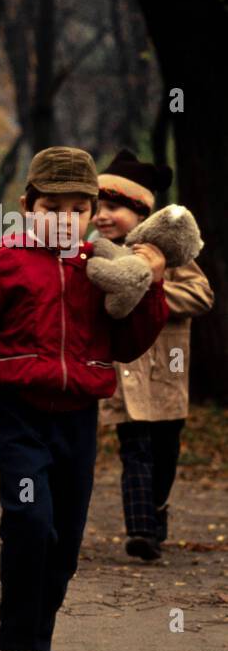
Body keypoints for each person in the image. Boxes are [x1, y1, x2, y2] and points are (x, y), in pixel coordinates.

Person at [0, 146, 168, 651]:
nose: (64, 218)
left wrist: (149, 285)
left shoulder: (104, 267)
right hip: (21, 416)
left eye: (76, 207)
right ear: (26, 205)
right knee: (29, 520)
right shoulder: (2, 265)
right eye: (51, 206)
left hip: (78, 420)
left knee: (65, 535)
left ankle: (40, 646)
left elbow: (130, 343)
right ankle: (12, 646)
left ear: (91, 211)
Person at [93, 150, 215, 561]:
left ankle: (157, 511)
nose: (101, 216)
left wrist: (153, 288)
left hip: (165, 374)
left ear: (140, 209)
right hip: (125, 375)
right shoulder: (98, 255)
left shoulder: (170, 254)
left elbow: (201, 295)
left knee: (164, 452)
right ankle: (141, 530)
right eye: (96, 208)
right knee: (135, 450)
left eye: (112, 207)